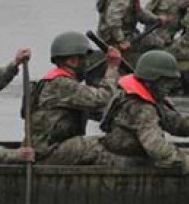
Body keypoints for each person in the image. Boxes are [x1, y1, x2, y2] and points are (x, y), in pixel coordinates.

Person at [99, 50, 189, 174]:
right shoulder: (141, 107)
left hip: (135, 152)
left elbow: (178, 125)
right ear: (153, 80)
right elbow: (156, 147)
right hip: (123, 159)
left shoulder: (151, 100)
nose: (171, 86)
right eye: (167, 82)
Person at [28, 31, 122, 165]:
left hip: (47, 148)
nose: (87, 64)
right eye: (84, 59)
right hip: (50, 151)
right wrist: (112, 68)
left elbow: (97, 109)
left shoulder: (52, 81)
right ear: (72, 60)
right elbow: (103, 98)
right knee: (105, 145)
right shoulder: (62, 84)